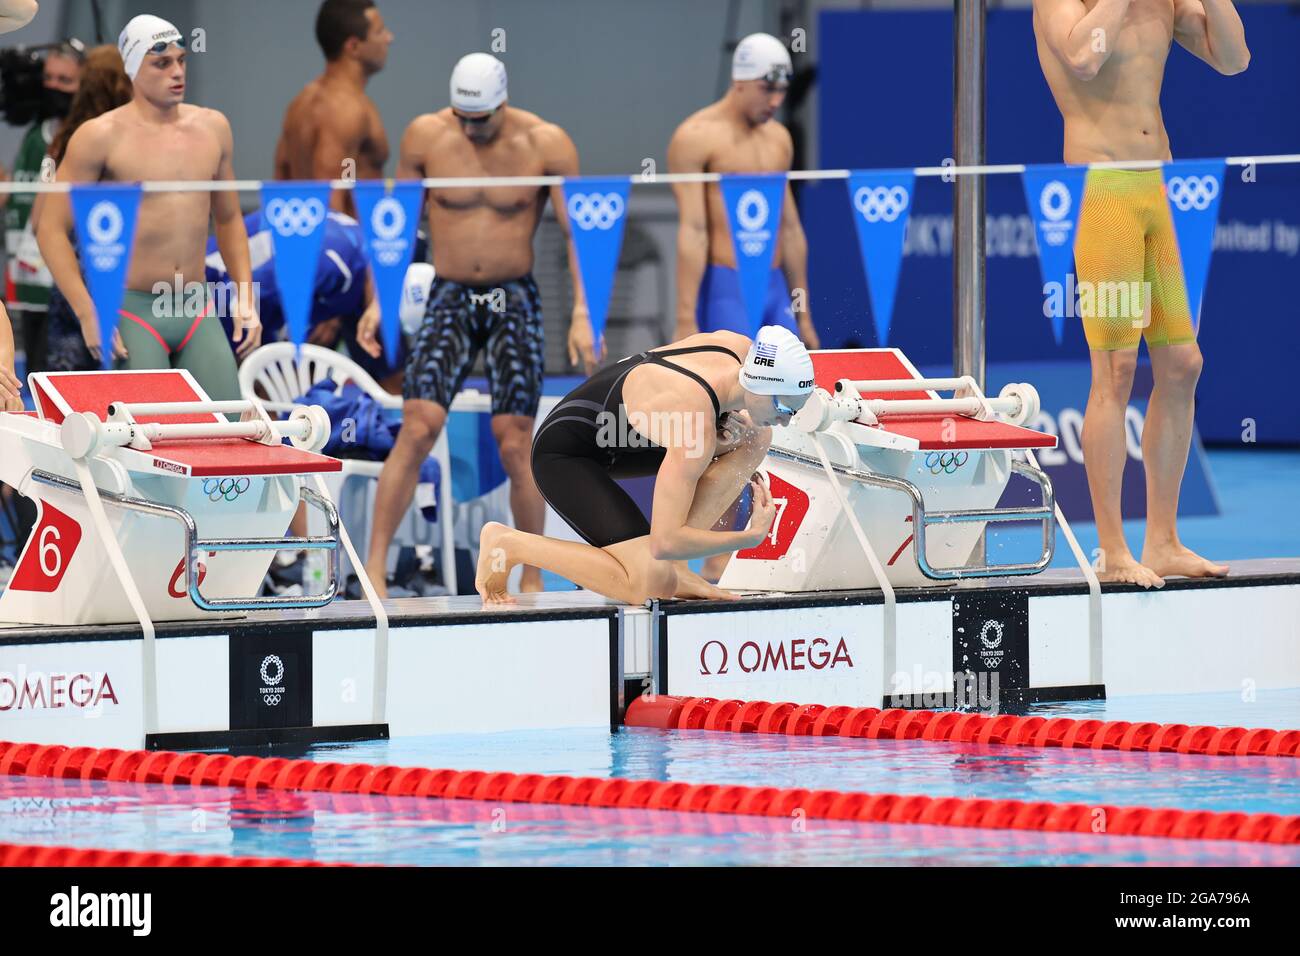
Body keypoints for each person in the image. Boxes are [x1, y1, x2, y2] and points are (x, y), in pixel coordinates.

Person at [357, 53, 592, 597]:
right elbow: (394, 228)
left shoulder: (546, 143)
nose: (469, 128)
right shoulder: (425, 137)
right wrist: (379, 300)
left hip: (514, 297)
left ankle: (532, 574)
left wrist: (584, 311)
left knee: (515, 443)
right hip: (451, 294)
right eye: (461, 117)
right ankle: (374, 569)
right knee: (416, 428)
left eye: (480, 119)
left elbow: (583, 233)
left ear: (502, 104)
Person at [1033, 0, 1248, 587]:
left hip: (1157, 188)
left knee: (1182, 364)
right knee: (1117, 371)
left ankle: (1163, 540)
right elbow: (1081, 57)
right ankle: (1113, 549)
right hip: (1102, 194)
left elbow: (1233, 60)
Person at [476, 325, 814, 605]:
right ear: (760, 385)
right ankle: (509, 544)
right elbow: (664, 542)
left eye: (794, 410)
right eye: (784, 408)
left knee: (757, 435)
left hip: (623, 437)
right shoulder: (692, 425)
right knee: (647, 586)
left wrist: (723, 417)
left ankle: (676, 570)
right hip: (566, 454)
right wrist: (747, 537)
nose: (786, 420)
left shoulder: (738, 349)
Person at [36, 14, 260, 402]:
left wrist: (244, 295)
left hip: (195, 303)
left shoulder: (213, 128)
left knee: (229, 428)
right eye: (161, 63)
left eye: (181, 60)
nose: (177, 72)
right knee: (147, 438)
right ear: (133, 67)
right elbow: (50, 228)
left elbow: (227, 218)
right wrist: (88, 311)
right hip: (131, 306)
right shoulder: (99, 137)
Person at [668, 32, 821, 581]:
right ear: (739, 79)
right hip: (725, 287)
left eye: (781, 90)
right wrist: (686, 315)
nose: (776, 101)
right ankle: (699, 548)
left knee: (787, 411)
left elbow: (791, 225)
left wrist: (804, 313)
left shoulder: (779, 139)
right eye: (766, 89)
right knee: (726, 423)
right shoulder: (695, 137)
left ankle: (750, 541)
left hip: (775, 288)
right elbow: (690, 230)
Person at [205, 209, 411, 389]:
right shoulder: (327, 262)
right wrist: (260, 379)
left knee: (392, 371)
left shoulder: (374, 255)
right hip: (212, 282)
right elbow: (238, 299)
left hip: (280, 294)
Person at [27, 44, 132, 374]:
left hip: (73, 284)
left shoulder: (60, 142)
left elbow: (37, 217)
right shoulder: (136, 143)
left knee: (68, 395)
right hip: (127, 283)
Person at [2, 40, 82, 374]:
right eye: (48, 78)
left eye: (65, 81)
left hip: (61, 274)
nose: (53, 88)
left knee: (53, 372)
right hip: (22, 263)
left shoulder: (82, 137)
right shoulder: (38, 131)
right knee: (29, 364)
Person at [276, 0, 392, 216]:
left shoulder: (300, 103)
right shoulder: (345, 109)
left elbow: (282, 177)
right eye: (380, 31)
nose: (389, 38)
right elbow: (330, 200)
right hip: (345, 244)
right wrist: (343, 248)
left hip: (309, 240)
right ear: (354, 47)